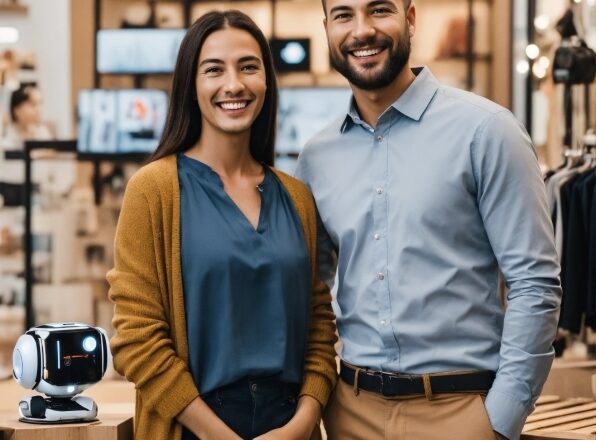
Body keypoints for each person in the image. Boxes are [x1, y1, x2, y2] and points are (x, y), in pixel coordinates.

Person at [295, 1, 562, 439]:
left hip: (460, 413)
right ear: (327, 28)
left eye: (379, 10)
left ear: (411, 19)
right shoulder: (316, 157)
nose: (362, 31)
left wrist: (499, 421)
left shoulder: (487, 131)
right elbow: (310, 298)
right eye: (344, 15)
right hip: (349, 412)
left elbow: (535, 283)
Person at [107, 10, 337, 440]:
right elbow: (136, 340)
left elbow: (319, 328)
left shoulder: (297, 197)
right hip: (193, 424)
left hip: (288, 424)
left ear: (267, 81)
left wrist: (303, 424)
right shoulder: (153, 190)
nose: (234, 84)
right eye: (214, 69)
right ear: (190, 85)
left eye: (249, 67)